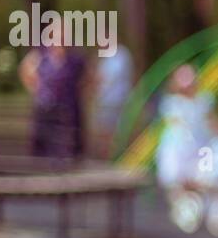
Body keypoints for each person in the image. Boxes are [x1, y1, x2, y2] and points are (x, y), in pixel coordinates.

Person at [156, 64, 218, 234]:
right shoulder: (172, 103)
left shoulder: (203, 101)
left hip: (199, 147)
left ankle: (206, 208)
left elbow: (212, 123)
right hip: (180, 148)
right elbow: (175, 126)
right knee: (179, 181)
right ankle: (185, 208)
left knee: (206, 178)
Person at [19, 25, 88, 161]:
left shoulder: (76, 58)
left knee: (68, 147)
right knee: (44, 147)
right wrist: (35, 88)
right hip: (46, 107)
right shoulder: (40, 54)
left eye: (64, 35)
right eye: (58, 35)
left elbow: (88, 78)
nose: (61, 39)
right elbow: (24, 69)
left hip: (69, 108)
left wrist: (80, 92)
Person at [92, 42, 134, 159]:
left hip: (120, 99)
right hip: (105, 100)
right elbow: (98, 77)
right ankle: (107, 157)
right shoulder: (102, 56)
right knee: (105, 130)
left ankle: (120, 156)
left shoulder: (122, 54)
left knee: (120, 130)